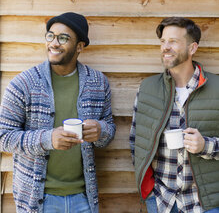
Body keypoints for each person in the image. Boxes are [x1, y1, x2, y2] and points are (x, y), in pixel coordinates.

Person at [0, 12, 116, 213]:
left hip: (84, 198)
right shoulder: (24, 83)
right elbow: (4, 137)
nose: (54, 43)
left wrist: (101, 130)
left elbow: (109, 129)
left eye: (63, 38)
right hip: (38, 200)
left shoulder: (98, 83)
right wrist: (47, 139)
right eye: (50, 36)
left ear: (79, 47)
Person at [130, 17, 219, 213]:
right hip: (161, 201)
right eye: (163, 41)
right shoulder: (147, 89)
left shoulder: (217, 89)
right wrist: (149, 191)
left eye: (173, 41)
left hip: (206, 204)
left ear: (192, 48)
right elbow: (136, 141)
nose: (165, 47)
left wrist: (206, 146)